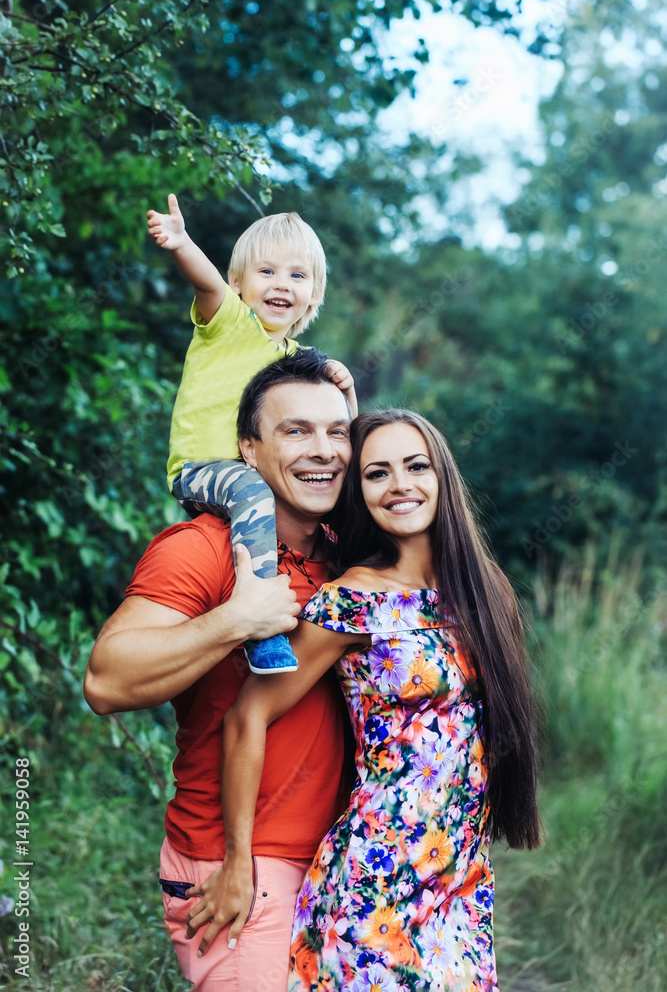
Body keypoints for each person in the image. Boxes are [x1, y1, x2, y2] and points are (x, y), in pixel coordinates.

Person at [204, 408, 541, 990]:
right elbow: (247, 715)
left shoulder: (486, 591)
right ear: (359, 492)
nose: (400, 486)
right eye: (376, 473)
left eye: (416, 466)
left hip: (458, 885)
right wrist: (238, 861)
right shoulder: (351, 602)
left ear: (443, 476)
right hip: (373, 881)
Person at [84, 349, 355, 992]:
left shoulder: (351, 558)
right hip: (233, 870)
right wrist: (237, 619)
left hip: (341, 862)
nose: (323, 450)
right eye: (295, 431)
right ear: (249, 452)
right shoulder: (203, 548)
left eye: (336, 431)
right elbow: (106, 681)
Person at [146, 194, 357, 674]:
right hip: (201, 470)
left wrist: (345, 388)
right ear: (238, 282)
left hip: (249, 481)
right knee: (253, 489)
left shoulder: (298, 359)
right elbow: (205, 282)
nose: (282, 284)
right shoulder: (230, 324)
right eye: (267, 272)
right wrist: (181, 243)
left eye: (297, 275)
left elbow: (341, 430)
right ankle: (260, 623)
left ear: (314, 293)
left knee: (345, 496)